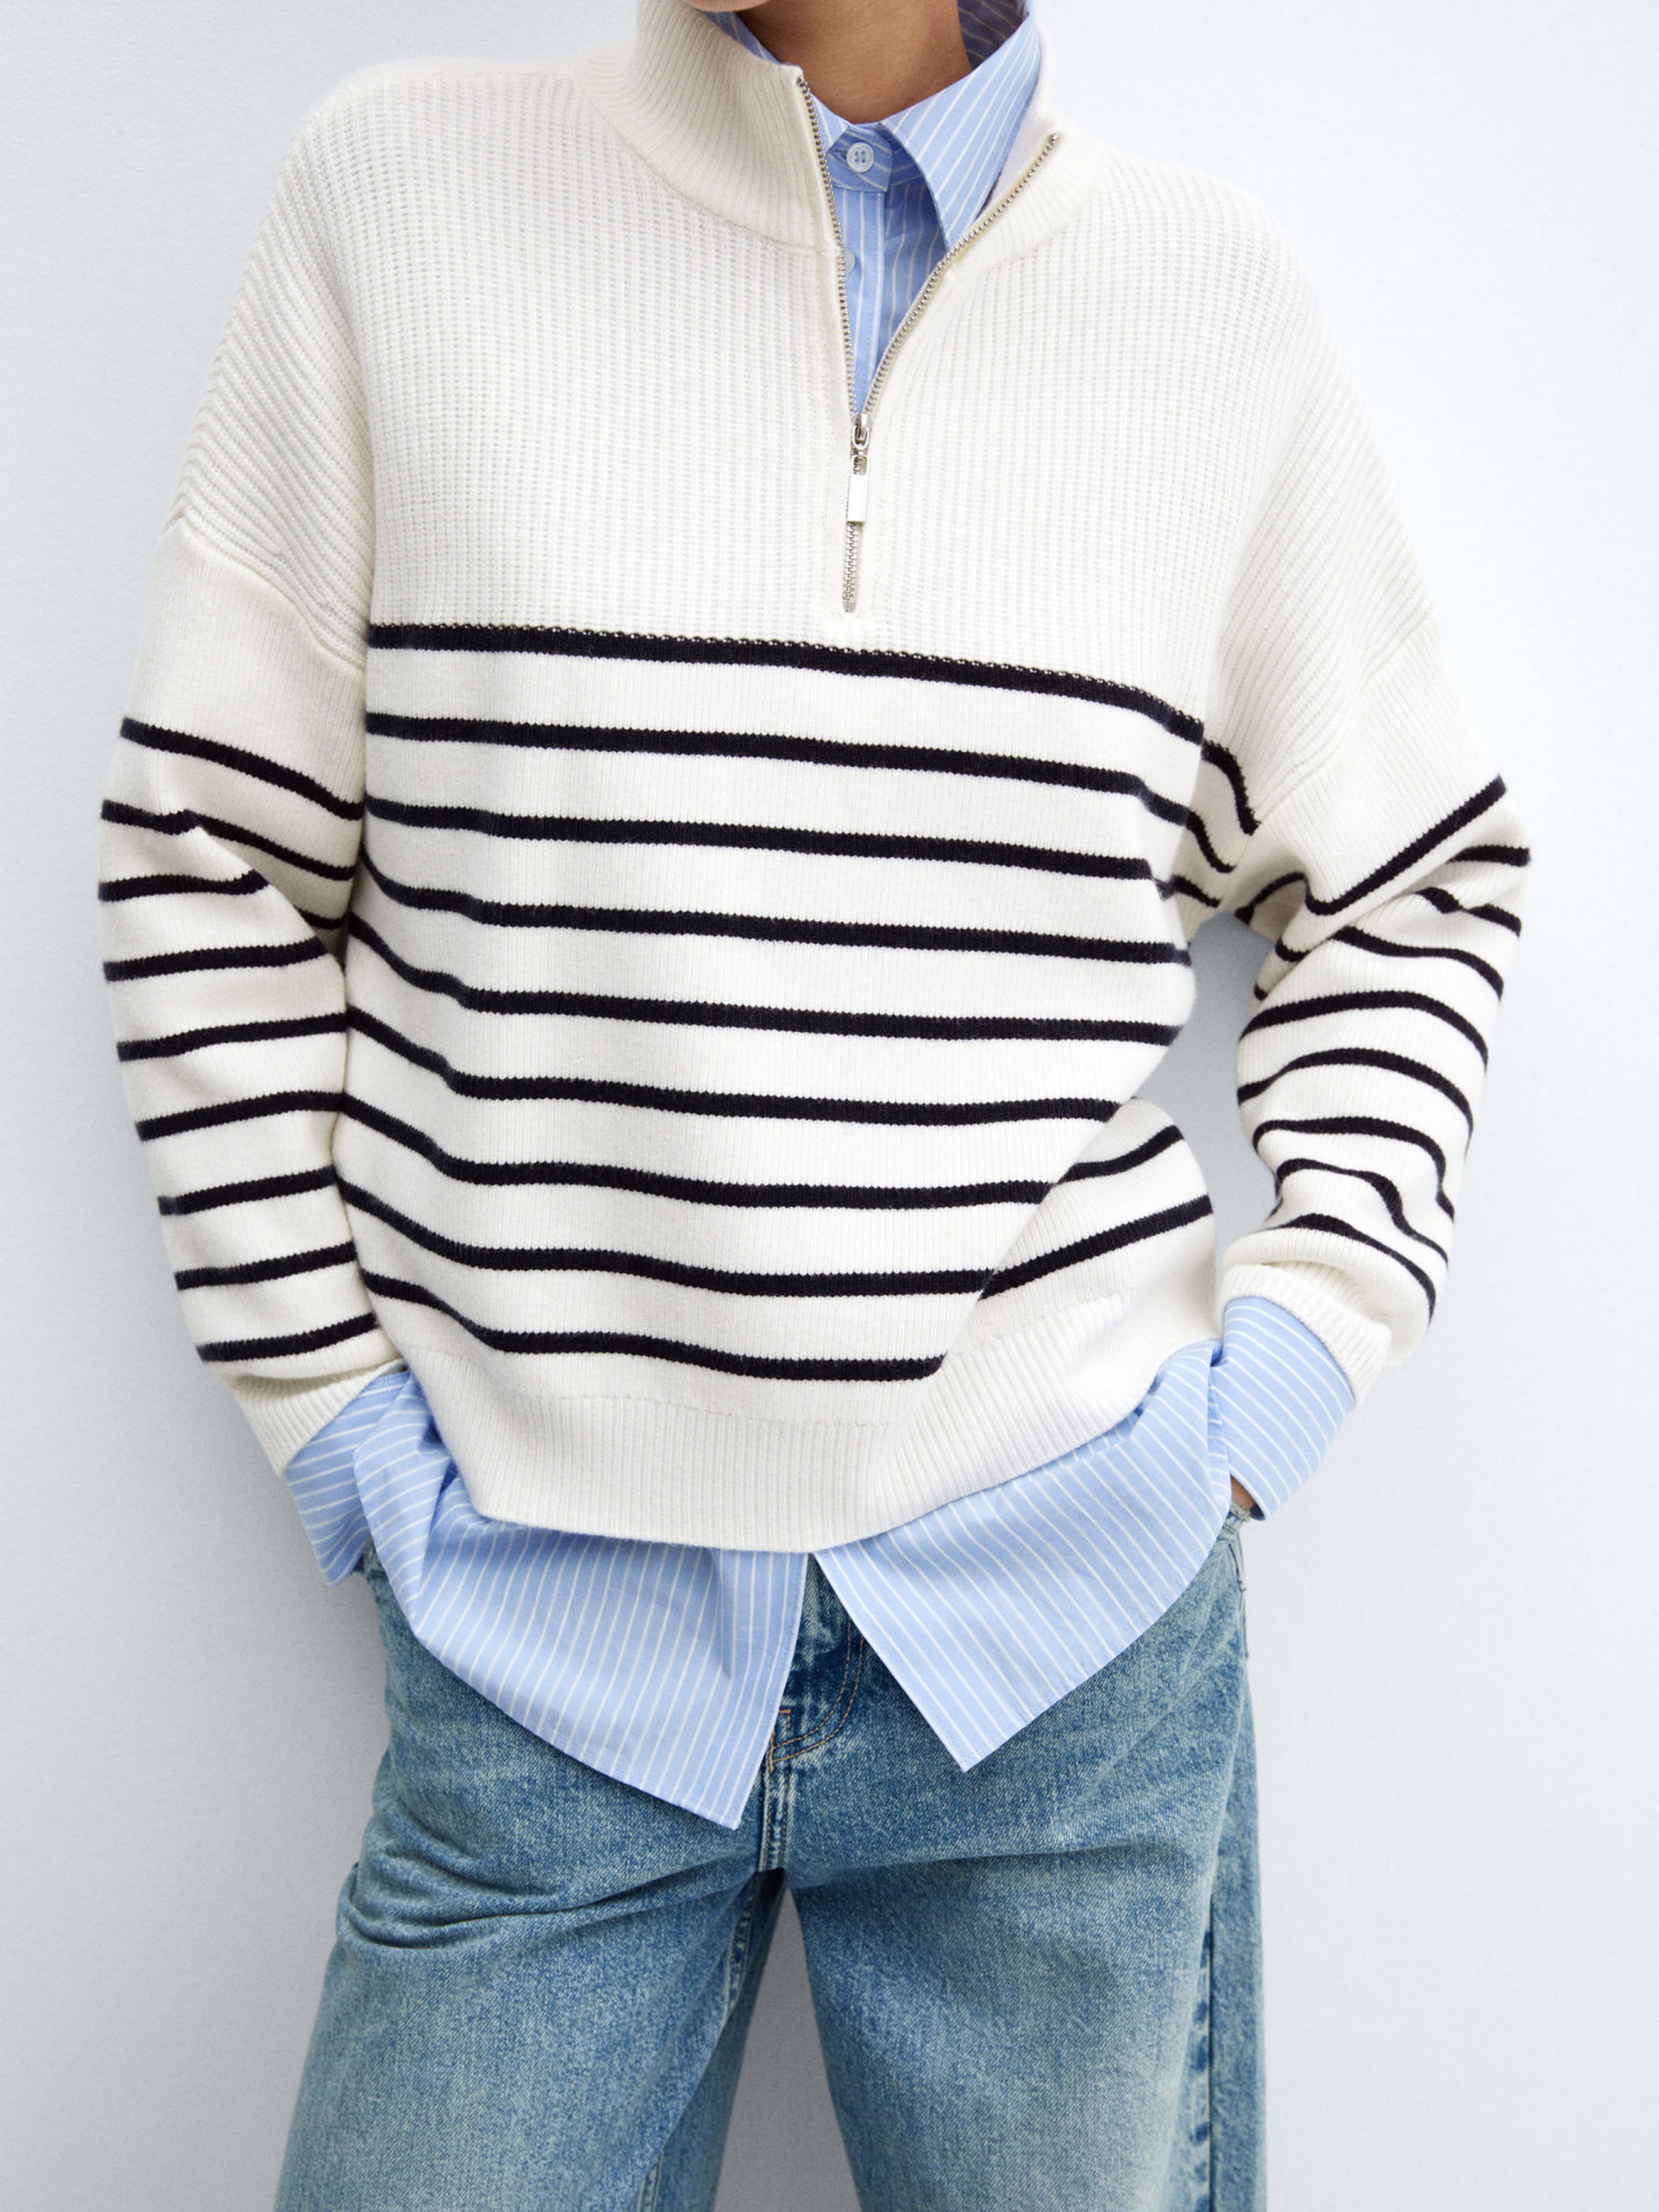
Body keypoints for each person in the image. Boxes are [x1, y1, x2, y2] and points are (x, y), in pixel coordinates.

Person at [95, 0, 1528, 2203]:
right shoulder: (398, 198)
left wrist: (1292, 1362)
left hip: (1065, 1645)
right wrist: (337, 1413)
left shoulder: (1205, 303)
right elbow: (210, 850)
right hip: (537, 1639)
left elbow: (1410, 877)